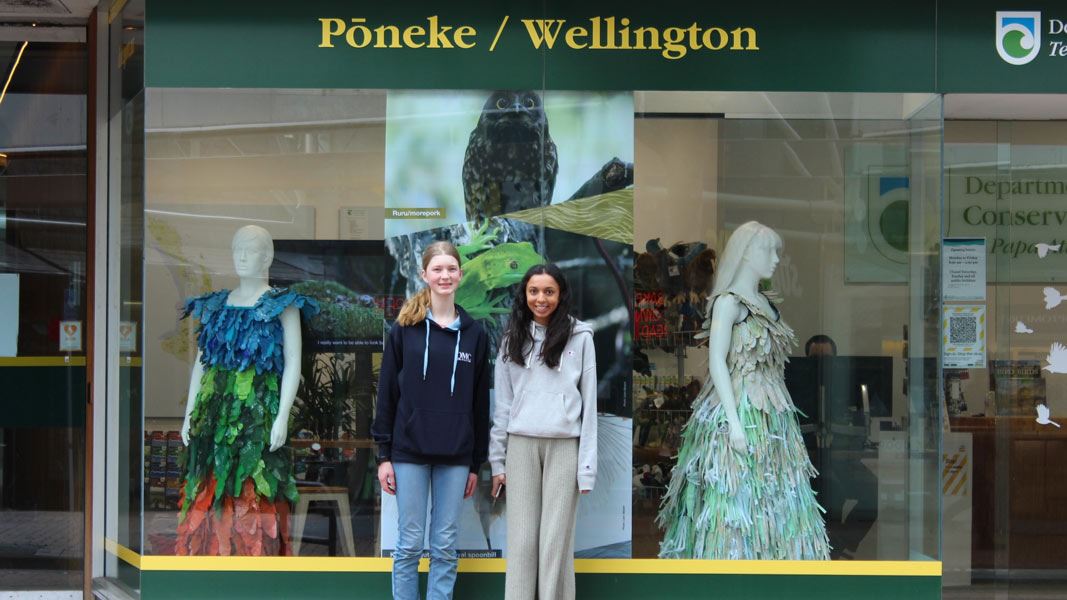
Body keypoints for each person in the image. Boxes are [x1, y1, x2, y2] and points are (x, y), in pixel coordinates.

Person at [657, 221, 830, 560]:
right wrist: (734, 423)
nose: (776, 260)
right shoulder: (728, 304)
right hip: (739, 410)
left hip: (773, 414)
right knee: (737, 497)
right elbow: (717, 361)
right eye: (769, 251)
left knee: (774, 494)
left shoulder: (765, 302)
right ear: (747, 252)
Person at [177, 225, 318, 556]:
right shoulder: (216, 305)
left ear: (267, 256)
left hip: (258, 420)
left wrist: (282, 416)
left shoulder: (283, 305)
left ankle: (256, 569)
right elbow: (202, 363)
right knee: (211, 491)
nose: (241, 255)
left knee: (255, 494)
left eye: (250, 249)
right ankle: (213, 566)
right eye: (237, 248)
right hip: (213, 420)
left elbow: (293, 362)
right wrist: (188, 416)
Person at [372, 240, 490, 600]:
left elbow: (480, 403)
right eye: (437, 269)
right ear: (424, 274)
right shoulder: (404, 329)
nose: (445, 275)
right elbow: (387, 393)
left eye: (451, 268)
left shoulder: (475, 334)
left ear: (460, 274)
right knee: (408, 544)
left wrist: (475, 463)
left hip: (456, 456)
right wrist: (383, 455)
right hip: (408, 452)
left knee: (444, 546)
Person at [488, 263, 598, 600]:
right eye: (534, 291)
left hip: (565, 447)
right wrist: (498, 463)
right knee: (521, 541)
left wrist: (587, 468)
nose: (541, 298)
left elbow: (590, 404)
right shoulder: (511, 339)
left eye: (549, 291)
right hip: (521, 446)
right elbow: (502, 407)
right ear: (524, 295)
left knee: (555, 541)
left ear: (561, 294)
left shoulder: (580, 338)